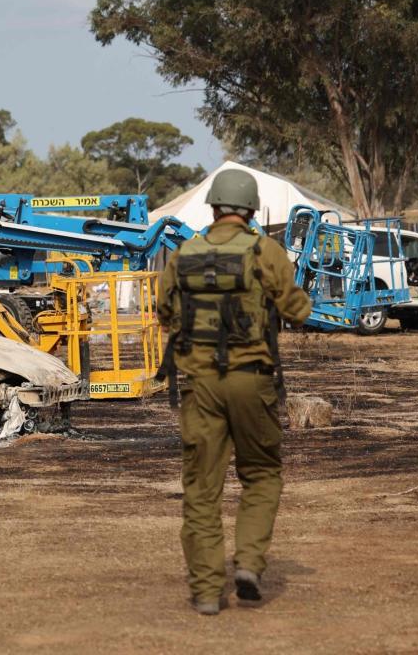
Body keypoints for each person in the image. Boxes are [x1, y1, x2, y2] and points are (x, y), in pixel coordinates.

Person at [156, 168, 312, 615]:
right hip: (253, 382)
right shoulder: (266, 251)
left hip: (199, 387)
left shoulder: (183, 253)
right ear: (251, 210)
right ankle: (247, 564)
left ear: (214, 208)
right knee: (261, 474)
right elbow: (297, 310)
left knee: (202, 489)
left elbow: (164, 312)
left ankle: (207, 591)